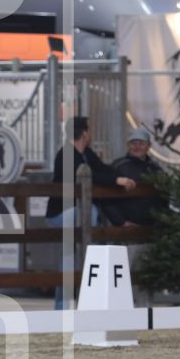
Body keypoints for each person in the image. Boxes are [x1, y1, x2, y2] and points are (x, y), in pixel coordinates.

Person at [47, 116, 136, 308]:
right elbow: (91, 177)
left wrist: (122, 178)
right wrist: (116, 181)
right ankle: (90, 246)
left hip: (77, 213)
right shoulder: (66, 155)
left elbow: (102, 169)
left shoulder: (86, 153)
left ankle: (66, 307)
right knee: (71, 255)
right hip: (61, 213)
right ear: (85, 133)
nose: (91, 133)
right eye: (90, 130)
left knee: (70, 259)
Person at [104, 127, 165, 226]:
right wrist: (120, 222)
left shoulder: (155, 169)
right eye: (133, 143)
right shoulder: (118, 166)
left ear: (149, 146)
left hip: (152, 227)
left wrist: (160, 221)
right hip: (124, 228)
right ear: (128, 145)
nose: (137, 147)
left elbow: (164, 197)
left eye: (141, 143)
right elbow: (105, 196)